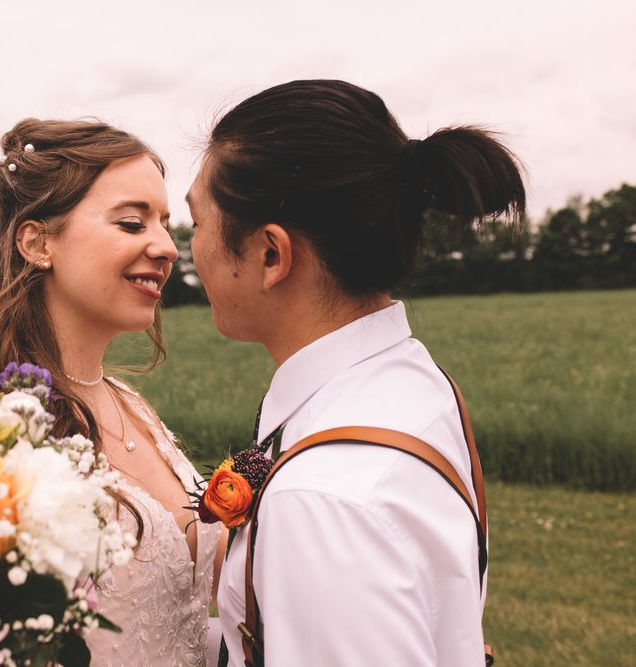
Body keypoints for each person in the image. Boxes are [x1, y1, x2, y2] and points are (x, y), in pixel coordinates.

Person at [188, 80, 525, 666]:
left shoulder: (324, 499)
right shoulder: (413, 381)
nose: (183, 250)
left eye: (196, 222)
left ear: (271, 254)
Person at [0, 118, 224, 666]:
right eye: (131, 222)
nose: (167, 247)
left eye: (166, 224)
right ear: (38, 241)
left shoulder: (131, 404)